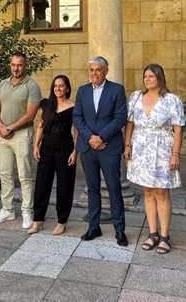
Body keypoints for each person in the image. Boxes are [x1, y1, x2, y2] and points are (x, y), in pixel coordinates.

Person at [124, 64, 184, 254]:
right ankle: (152, 233)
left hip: (163, 149)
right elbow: (130, 123)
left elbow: (178, 128)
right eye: (145, 76)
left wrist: (176, 153)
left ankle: (165, 236)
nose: (147, 79)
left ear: (160, 77)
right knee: (148, 191)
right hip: (141, 149)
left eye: (151, 76)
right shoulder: (135, 97)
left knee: (161, 193)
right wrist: (127, 144)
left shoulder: (171, 100)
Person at [73, 56, 128, 246]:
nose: (94, 73)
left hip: (109, 147)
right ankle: (93, 227)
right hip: (88, 148)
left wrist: (101, 137)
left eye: (98, 70)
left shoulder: (117, 90)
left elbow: (120, 117)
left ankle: (120, 230)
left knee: (114, 188)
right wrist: (91, 138)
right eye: (91, 70)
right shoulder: (82, 91)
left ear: (106, 71)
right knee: (92, 189)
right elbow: (77, 116)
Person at [0, 52, 41, 229]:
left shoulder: (32, 86)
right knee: (4, 173)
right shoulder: (3, 84)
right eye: (13, 65)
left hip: (21, 135)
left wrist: (10, 128)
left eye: (19, 65)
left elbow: (30, 115)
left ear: (25, 66)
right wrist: (0, 126)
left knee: (24, 176)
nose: (16, 68)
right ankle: (8, 210)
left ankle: (27, 211)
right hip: (3, 134)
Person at [29, 75, 77, 235]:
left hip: (65, 149)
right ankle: (38, 220)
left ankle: (62, 221)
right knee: (42, 185)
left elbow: (76, 131)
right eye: (55, 85)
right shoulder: (47, 104)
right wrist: (36, 145)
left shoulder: (74, 106)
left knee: (65, 186)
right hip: (46, 148)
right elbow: (41, 126)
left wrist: (75, 151)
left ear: (67, 88)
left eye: (61, 86)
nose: (58, 88)